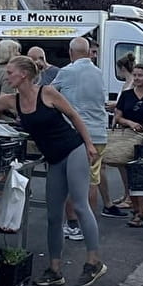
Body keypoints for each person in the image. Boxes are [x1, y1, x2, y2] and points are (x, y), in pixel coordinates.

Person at [0, 56, 108, 286]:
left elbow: (74, 116)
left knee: (79, 205)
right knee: (54, 216)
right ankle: (55, 270)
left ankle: (94, 261)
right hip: (54, 159)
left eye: (11, 72)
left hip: (73, 150)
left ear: (24, 74)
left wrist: (89, 145)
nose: (7, 76)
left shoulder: (47, 93)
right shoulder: (11, 101)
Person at [52, 37, 108, 237]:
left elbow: (48, 94)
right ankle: (88, 226)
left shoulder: (67, 72)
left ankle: (74, 224)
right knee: (92, 181)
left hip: (77, 134)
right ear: (88, 52)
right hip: (99, 133)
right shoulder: (98, 72)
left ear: (70, 52)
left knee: (73, 182)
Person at [110, 62, 143, 224]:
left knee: (140, 175)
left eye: (140, 75)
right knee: (129, 176)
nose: (137, 78)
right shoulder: (126, 95)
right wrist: (130, 123)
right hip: (127, 137)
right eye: (135, 75)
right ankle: (136, 208)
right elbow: (118, 116)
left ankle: (142, 213)